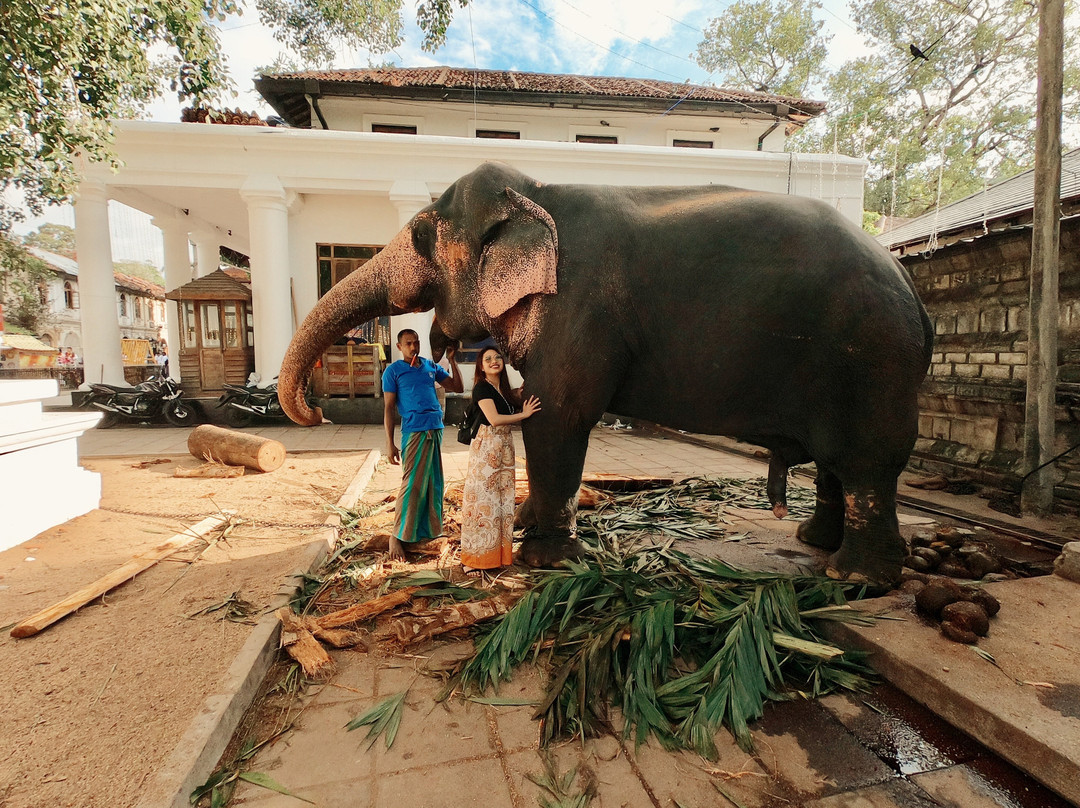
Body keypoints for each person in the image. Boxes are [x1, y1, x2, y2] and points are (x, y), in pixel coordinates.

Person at [383, 328, 463, 560]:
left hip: (435, 429)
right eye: (408, 343)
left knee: (433, 482)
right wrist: (390, 443)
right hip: (414, 431)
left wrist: (452, 360)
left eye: (416, 342)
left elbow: (456, 387)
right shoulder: (393, 371)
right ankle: (396, 536)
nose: (413, 347)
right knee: (412, 484)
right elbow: (388, 409)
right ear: (399, 347)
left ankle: (427, 530)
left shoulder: (429, 366)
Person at [460, 347, 541, 574]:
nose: (494, 361)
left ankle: (498, 556)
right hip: (487, 450)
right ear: (481, 366)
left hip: (503, 449)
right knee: (483, 504)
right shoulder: (482, 388)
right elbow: (494, 419)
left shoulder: (501, 390)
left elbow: (509, 401)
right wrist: (524, 415)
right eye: (488, 359)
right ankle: (474, 559)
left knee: (503, 502)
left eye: (497, 357)